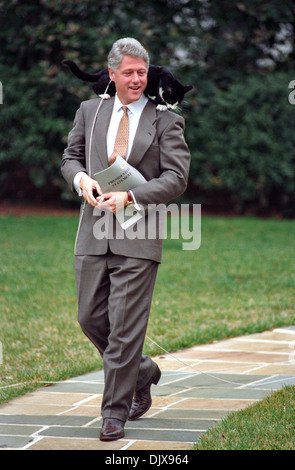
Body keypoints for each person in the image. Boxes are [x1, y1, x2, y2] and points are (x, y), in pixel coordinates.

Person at [61, 37, 191, 441]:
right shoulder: (89, 111)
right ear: (112, 72)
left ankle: (114, 414)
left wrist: (132, 194)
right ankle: (143, 371)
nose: (137, 80)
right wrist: (80, 179)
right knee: (89, 318)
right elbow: (71, 157)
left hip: (140, 236)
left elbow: (177, 178)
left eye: (142, 72)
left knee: (123, 330)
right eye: (129, 72)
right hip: (92, 234)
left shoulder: (166, 119)